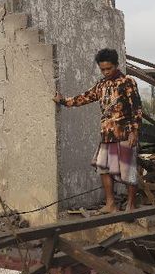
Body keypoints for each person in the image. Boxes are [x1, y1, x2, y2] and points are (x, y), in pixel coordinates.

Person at [53, 48, 143, 213]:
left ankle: (131, 205)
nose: (106, 72)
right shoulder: (101, 85)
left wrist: (134, 131)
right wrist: (63, 101)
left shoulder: (127, 82)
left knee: (127, 171)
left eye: (109, 68)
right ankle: (110, 204)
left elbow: (136, 108)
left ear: (116, 65)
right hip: (107, 135)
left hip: (124, 134)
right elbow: (84, 97)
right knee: (103, 168)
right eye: (103, 69)